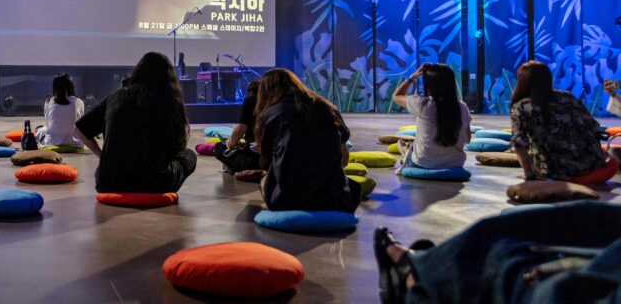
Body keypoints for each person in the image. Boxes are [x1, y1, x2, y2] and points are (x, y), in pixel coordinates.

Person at [374, 201, 621, 303]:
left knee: (499, 243)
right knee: (587, 217)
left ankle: (415, 278)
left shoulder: (523, 107)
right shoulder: (460, 109)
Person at [75, 52, 196, 193]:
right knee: (190, 155)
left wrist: (103, 157)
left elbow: (80, 129)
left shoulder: (118, 95)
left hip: (109, 182)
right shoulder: (168, 101)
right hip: (155, 183)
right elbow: (177, 149)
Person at [254, 68, 360, 212]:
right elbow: (344, 159)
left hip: (288, 200)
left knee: (265, 181)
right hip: (335, 199)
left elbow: (266, 163)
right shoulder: (327, 108)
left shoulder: (271, 114)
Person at [510, 61, 605, 180]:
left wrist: (529, 175)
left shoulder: (521, 106)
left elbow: (518, 143)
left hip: (555, 170)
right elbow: (594, 126)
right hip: (591, 164)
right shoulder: (567, 97)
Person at [391, 63, 472, 170]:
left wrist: (413, 76)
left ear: (429, 84)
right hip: (455, 164)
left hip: (423, 163)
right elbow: (468, 139)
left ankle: (407, 153)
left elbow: (397, 96)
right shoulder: (462, 107)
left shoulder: (422, 104)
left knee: (409, 148)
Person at [213, 80, 261, 173]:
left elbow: (240, 129)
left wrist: (229, 143)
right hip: (272, 161)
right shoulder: (277, 105)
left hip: (255, 160)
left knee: (219, 147)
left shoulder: (250, 101)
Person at [35, 73, 85, 148]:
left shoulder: (49, 101)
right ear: (71, 86)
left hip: (52, 142)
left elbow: (48, 123)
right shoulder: (79, 102)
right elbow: (82, 124)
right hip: (75, 144)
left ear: (55, 87)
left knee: (39, 129)